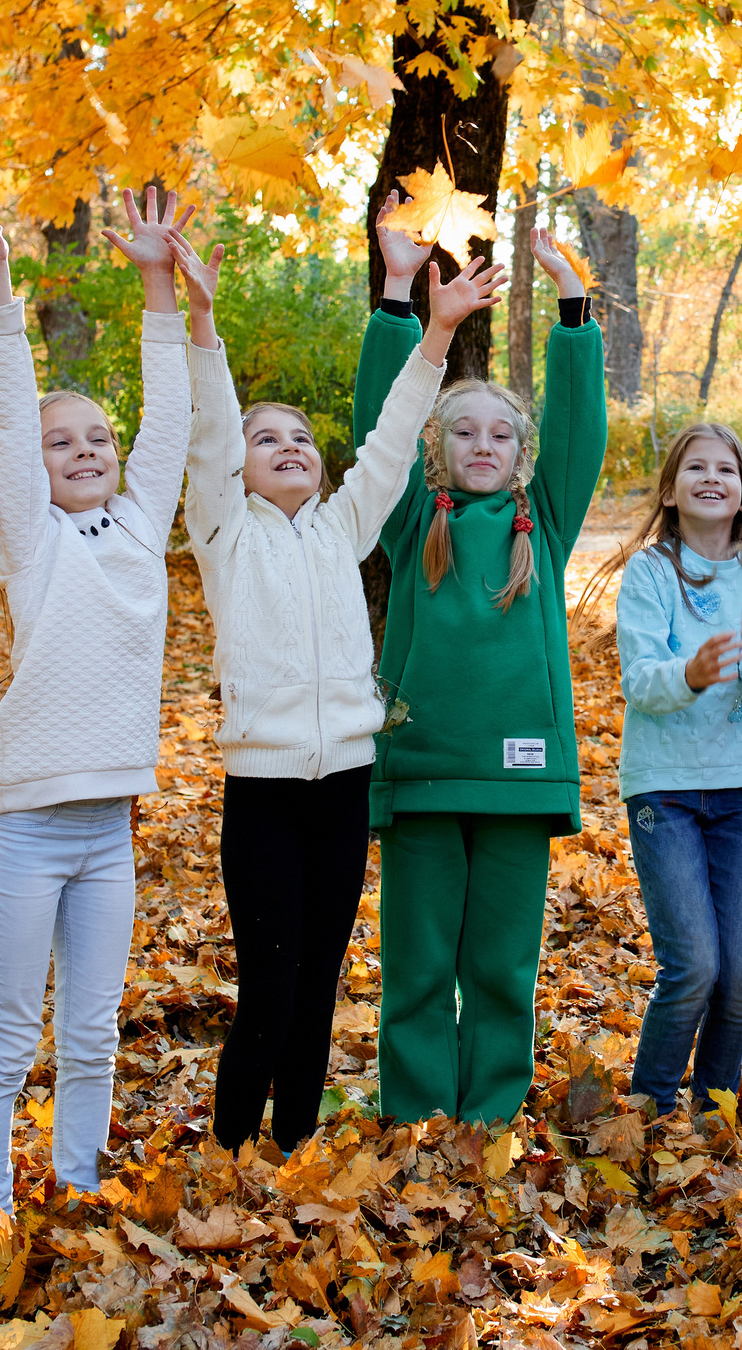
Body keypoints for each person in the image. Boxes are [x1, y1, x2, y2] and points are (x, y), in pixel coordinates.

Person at [167, 201, 503, 1155]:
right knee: (269, 987)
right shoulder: (225, 535)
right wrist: (203, 323)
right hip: (265, 792)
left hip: (344, 784)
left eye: (303, 439)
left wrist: (437, 333)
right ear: (240, 468)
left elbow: (395, 442)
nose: (290, 448)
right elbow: (208, 436)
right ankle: (232, 1156)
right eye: (268, 440)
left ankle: (295, 1154)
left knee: (318, 987)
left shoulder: (343, 529)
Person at [0, 181, 191, 1254]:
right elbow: (6, 392)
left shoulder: (138, 530)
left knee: (90, 1036)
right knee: (6, 1035)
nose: (83, 447)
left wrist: (156, 281)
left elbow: (171, 412)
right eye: (60, 440)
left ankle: (77, 1194)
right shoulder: (30, 540)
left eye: (97, 435)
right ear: (31, 468)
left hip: (107, 829)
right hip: (27, 825)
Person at [358, 225, 604, 1125]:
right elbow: (375, 422)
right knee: (419, 964)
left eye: (503, 431)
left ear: (522, 450)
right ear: (438, 447)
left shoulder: (544, 518)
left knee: (501, 965)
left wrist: (574, 311)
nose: (485, 442)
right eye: (465, 429)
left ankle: (490, 1118)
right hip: (423, 771)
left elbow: (582, 426)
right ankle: (418, 1119)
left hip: (518, 778)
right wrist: (398, 300)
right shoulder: (408, 512)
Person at [590, 422, 742, 1114]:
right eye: (696, 469)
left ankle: (714, 1111)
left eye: (727, 470)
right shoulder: (653, 572)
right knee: (694, 967)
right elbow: (642, 680)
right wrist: (693, 670)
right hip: (666, 791)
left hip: (739, 792)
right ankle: (648, 1110)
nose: (712, 479)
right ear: (672, 490)